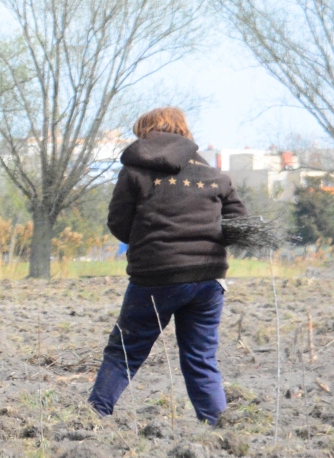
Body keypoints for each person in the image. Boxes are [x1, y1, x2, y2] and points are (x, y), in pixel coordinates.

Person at [88, 107, 247, 424]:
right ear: (183, 131)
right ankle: (218, 427)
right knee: (201, 358)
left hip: (155, 278)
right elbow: (240, 226)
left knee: (124, 351)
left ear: (145, 133)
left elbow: (119, 224)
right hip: (208, 280)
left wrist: (150, 239)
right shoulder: (213, 175)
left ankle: (93, 416)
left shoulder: (135, 171)